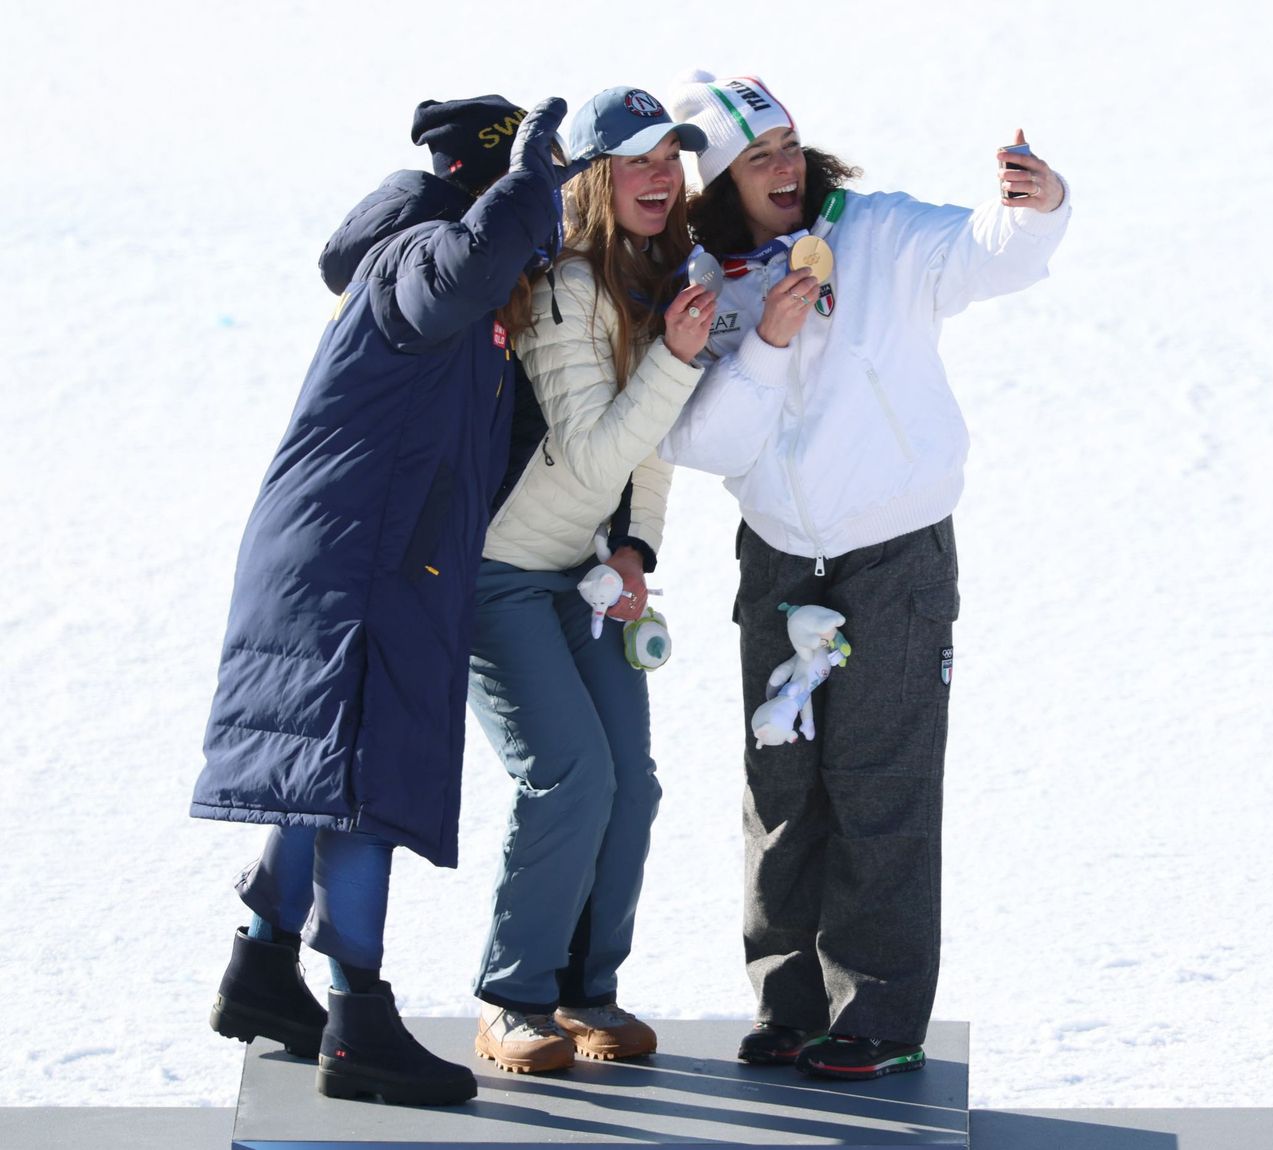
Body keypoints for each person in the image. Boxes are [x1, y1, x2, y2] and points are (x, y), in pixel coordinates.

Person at [660, 71, 1073, 1080]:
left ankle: (877, 1016)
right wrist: (765, 341)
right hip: (776, 563)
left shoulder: (878, 232)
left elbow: (983, 254)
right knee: (783, 780)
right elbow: (706, 443)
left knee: (878, 780)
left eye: (791, 145)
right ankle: (787, 1003)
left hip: (895, 557)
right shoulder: (705, 284)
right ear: (717, 180)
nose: (786, 167)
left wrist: (1036, 208)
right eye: (759, 158)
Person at [191, 93, 575, 1106]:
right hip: (355, 569)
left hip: (356, 559)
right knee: (362, 776)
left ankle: (266, 969)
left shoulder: (444, 298)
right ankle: (359, 1017)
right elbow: (459, 270)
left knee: (333, 762)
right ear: (486, 188)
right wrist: (529, 190)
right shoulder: (419, 251)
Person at [465, 86, 718, 1075]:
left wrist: (634, 553)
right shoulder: (563, 284)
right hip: (498, 576)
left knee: (634, 785)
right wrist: (680, 362)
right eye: (640, 158)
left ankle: (585, 992)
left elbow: (645, 455)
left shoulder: (652, 278)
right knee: (569, 777)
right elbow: (588, 450)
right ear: (592, 176)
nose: (663, 177)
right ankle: (512, 999)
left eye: (674, 159)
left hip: (581, 573)